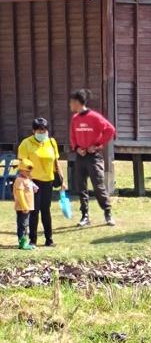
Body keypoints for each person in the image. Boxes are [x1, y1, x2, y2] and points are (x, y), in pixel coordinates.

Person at [68, 88, 116, 228]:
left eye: (71, 102)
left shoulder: (94, 117)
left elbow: (110, 130)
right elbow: (72, 136)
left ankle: (107, 213)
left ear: (77, 102)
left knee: (98, 185)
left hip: (94, 157)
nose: (70, 105)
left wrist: (97, 145)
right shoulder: (75, 118)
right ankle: (85, 215)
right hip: (80, 156)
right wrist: (76, 148)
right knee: (81, 187)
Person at [18, 118, 60, 247]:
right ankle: (33, 240)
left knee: (46, 210)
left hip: (48, 180)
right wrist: (29, 182)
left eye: (44, 130)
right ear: (33, 131)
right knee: (34, 210)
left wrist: (62, 180)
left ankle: (49, 239)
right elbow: (22, 165)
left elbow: (56, 162)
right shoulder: (26, 143)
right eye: (39, 130)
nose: (42, 133)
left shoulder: (52, 142)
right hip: (33, 181)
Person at [12, 160, 36, 250]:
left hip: (28, 207)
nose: (29, 172)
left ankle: (24, 241)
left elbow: (29, 188)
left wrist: (34, 188)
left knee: (26, 225)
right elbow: (20, 194)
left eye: (30, 171)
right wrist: (24, 206)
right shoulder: (19, 180)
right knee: (23, 225)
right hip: (23, 208)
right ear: (21, 170)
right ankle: (22, 243)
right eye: (27, 171)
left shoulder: (27, 179)